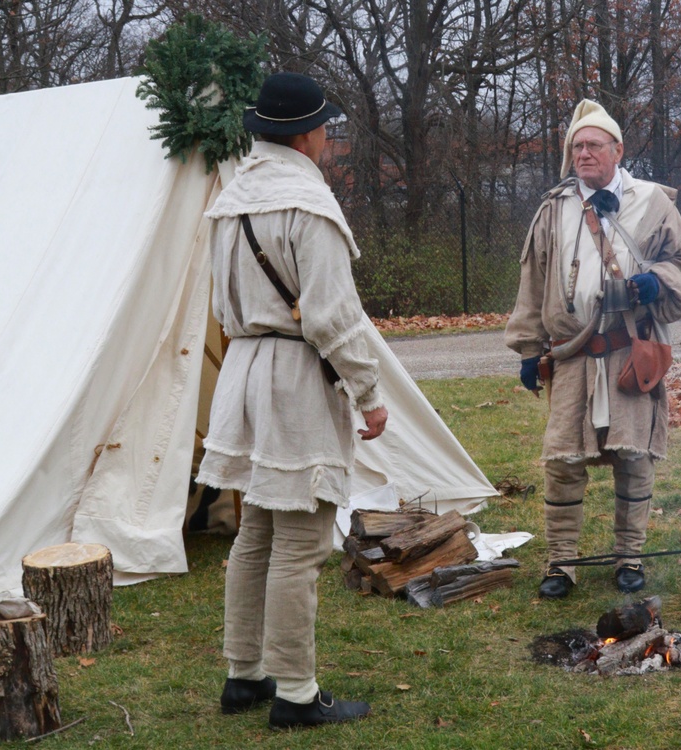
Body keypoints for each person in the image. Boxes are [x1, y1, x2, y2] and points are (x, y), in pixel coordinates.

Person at [196, 72, 388, 730]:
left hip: (246, 371)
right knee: (299, 540)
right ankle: (297, 693)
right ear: (305, 135)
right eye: (325, 129)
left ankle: (243, 675)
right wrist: (369, 394)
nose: (330, 139)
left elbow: (222, 306)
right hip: (294, 377)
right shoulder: (308, 206)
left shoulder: (231, 200)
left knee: (257, 533)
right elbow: (333, 318)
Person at [504, 99, 681, 600]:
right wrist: (529, 348)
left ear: (618, 150)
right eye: (577, 146)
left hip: (629, 347)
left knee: (634, 458)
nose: (583, 154)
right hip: (571, 352)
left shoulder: (653, 202)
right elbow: (533, 279)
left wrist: (657, 282)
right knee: (562, 462)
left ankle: (629, 558)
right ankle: (561, 564)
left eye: (593, 145)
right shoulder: (554, 207)